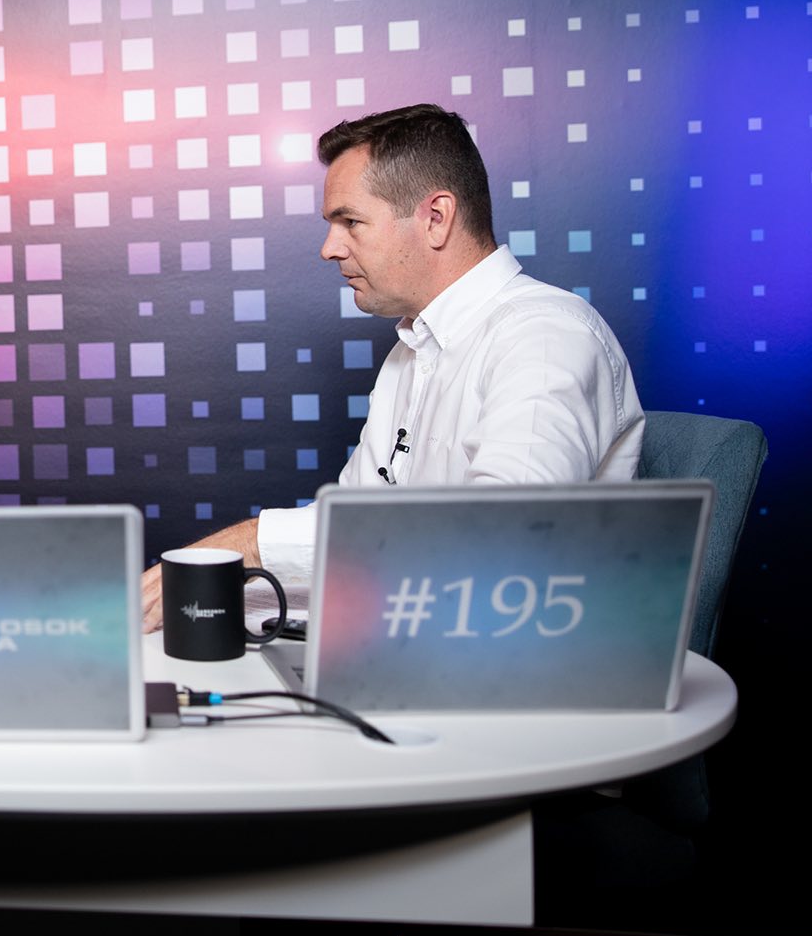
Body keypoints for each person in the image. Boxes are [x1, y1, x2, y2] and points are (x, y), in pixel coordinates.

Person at [141, 103, 643, 631]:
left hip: (518, 667)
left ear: (436, 218)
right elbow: (357, 537)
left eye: (350, 222)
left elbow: (507, 537)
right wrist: (215, 592)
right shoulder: (410, 351)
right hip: (419, 646)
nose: (329, 248)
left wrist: (253, 545)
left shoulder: (544, 335)